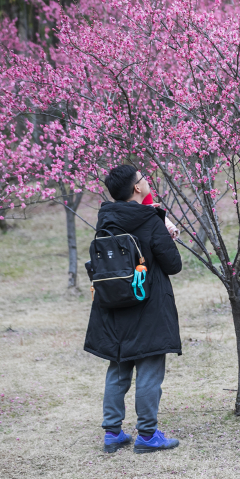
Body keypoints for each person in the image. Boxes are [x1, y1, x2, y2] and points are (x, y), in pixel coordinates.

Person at [84, 165, 182, 454]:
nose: (147, 181)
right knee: (150, 370)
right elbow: (173, 265)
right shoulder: (150, 221)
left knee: (118, 368)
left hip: (112, 308)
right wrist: (164, 230)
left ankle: (113, 432)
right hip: (148, 307)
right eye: (143, 178)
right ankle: (148, 435)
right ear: (137, 188)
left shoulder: (106, 219)